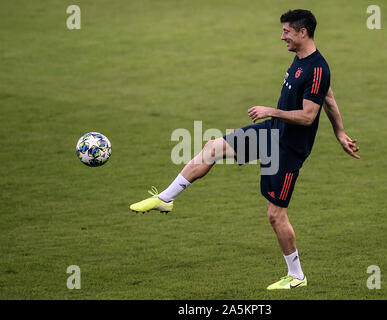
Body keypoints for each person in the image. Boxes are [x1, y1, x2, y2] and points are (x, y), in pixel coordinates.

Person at [130, 9, 360, 290]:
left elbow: (309, 116)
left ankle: (297, 276)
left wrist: (269, 110)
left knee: (275, 215)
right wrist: (339, 132)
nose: (282, 36)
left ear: (303, 32)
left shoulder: (317, 68)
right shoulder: (300, 60)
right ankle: (167, 197)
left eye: (287, 31)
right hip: (272, 133)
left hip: (287, 149)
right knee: (213, 147)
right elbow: (330, 99)